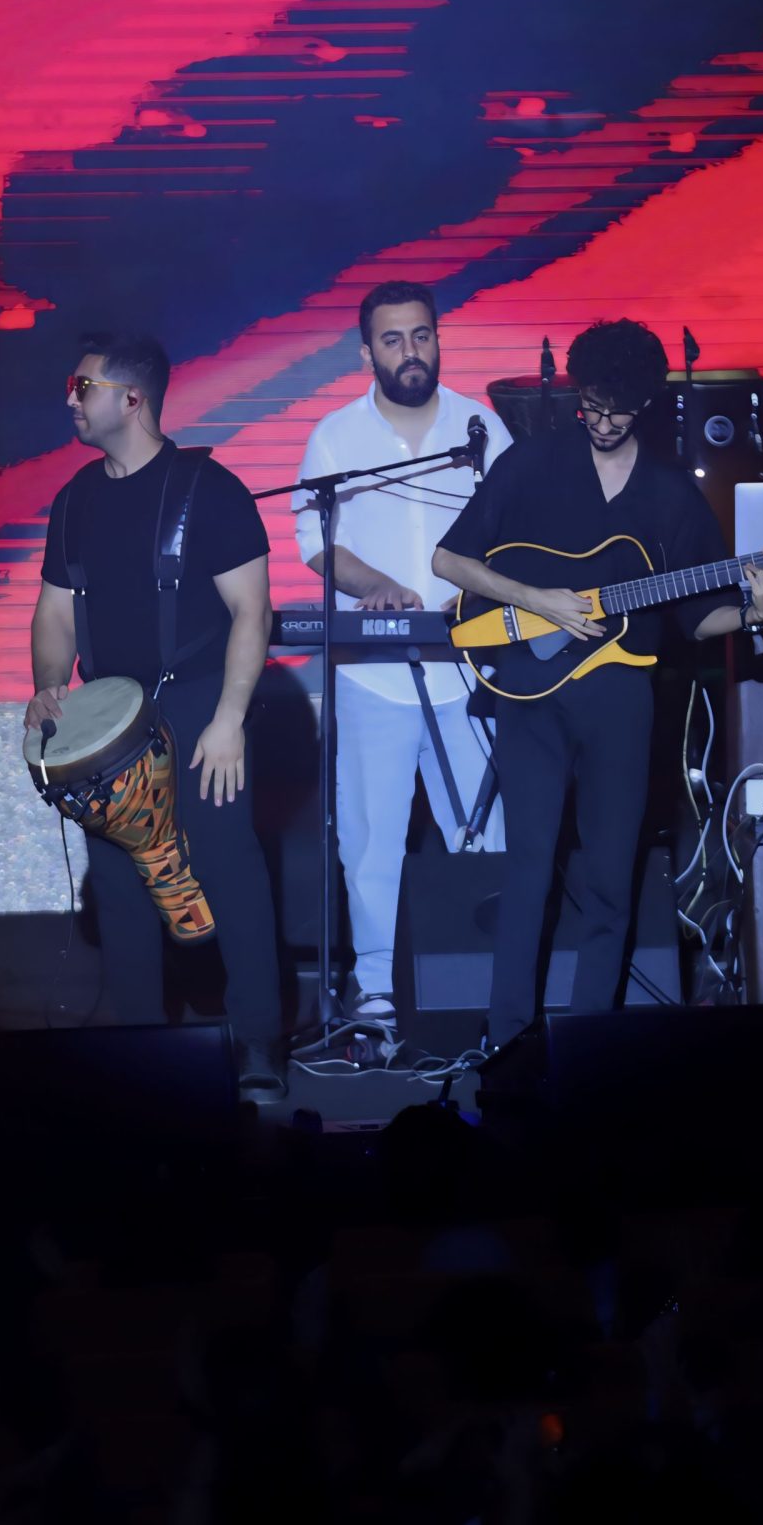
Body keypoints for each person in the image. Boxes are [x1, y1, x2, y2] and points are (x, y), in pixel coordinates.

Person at [433, 320, 763, 1049]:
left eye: (617, 410)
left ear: (645, 404)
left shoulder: (670, 495)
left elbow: (699, 618)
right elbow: (449, 561)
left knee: (611, 879)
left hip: (622, 698)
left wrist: (757, 609)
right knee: (528, 871)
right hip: (530, 691)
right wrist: (536, 598)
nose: (600, 421)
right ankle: (507, 1044)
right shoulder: (532, 462)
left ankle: (589, 1043)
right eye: (591, 404)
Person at [27, 331, 288, 1098]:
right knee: (118, 882)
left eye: (84, 387)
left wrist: (229, 720)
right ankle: (141, 1048)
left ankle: (259, 1044)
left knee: (227, 868)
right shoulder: (74, 500)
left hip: (199, 701)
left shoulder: (210, 489)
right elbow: (54, 613)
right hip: (109, 714)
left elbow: (252, 612)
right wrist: (49, 685)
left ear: (132, 399)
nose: (70, 400)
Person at [294, 279, 511, 1033]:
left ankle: (488, 986)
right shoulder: (335, 438)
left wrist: (478, 593)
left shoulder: (482, 429)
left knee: (485, 834)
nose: (410, 351)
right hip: (373, 678)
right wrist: (377, 587)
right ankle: (378, 994)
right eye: (393, 340)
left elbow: (517, 535)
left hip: (473, 672)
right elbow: (316, 541)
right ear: (367, 353)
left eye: (421, 335)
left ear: (437, 340)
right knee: (370, 841)